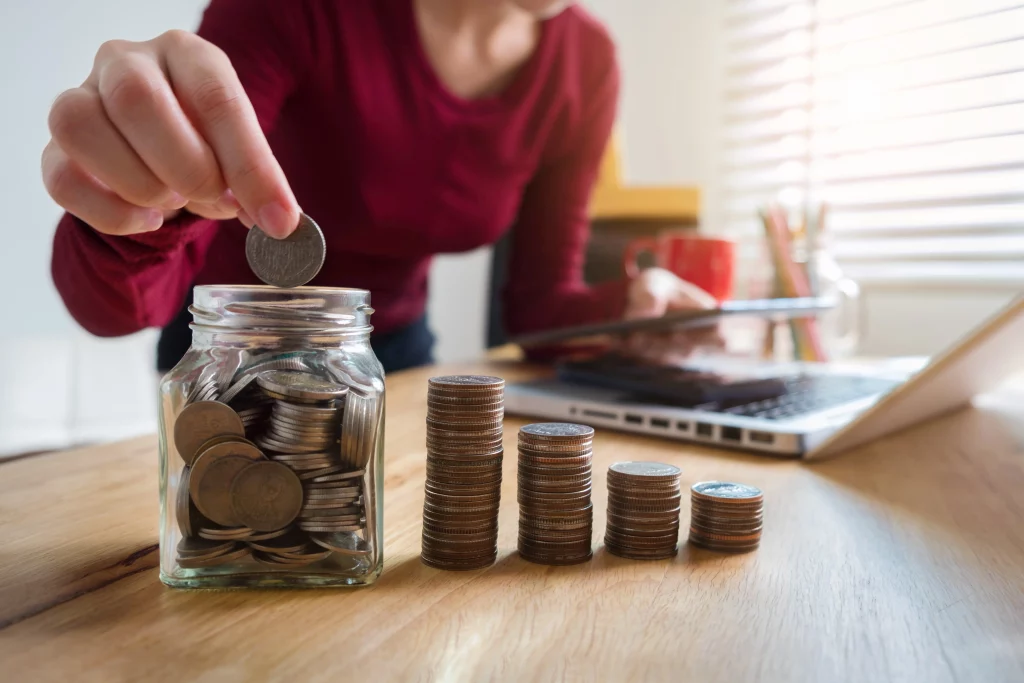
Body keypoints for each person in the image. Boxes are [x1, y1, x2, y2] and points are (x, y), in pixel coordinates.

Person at [43, 0, 717, 373]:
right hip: (232, 353)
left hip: (395, 355)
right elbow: (121, 305)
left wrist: (629, 307)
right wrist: (130, 206)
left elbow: (539, 312)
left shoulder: (588, 63)